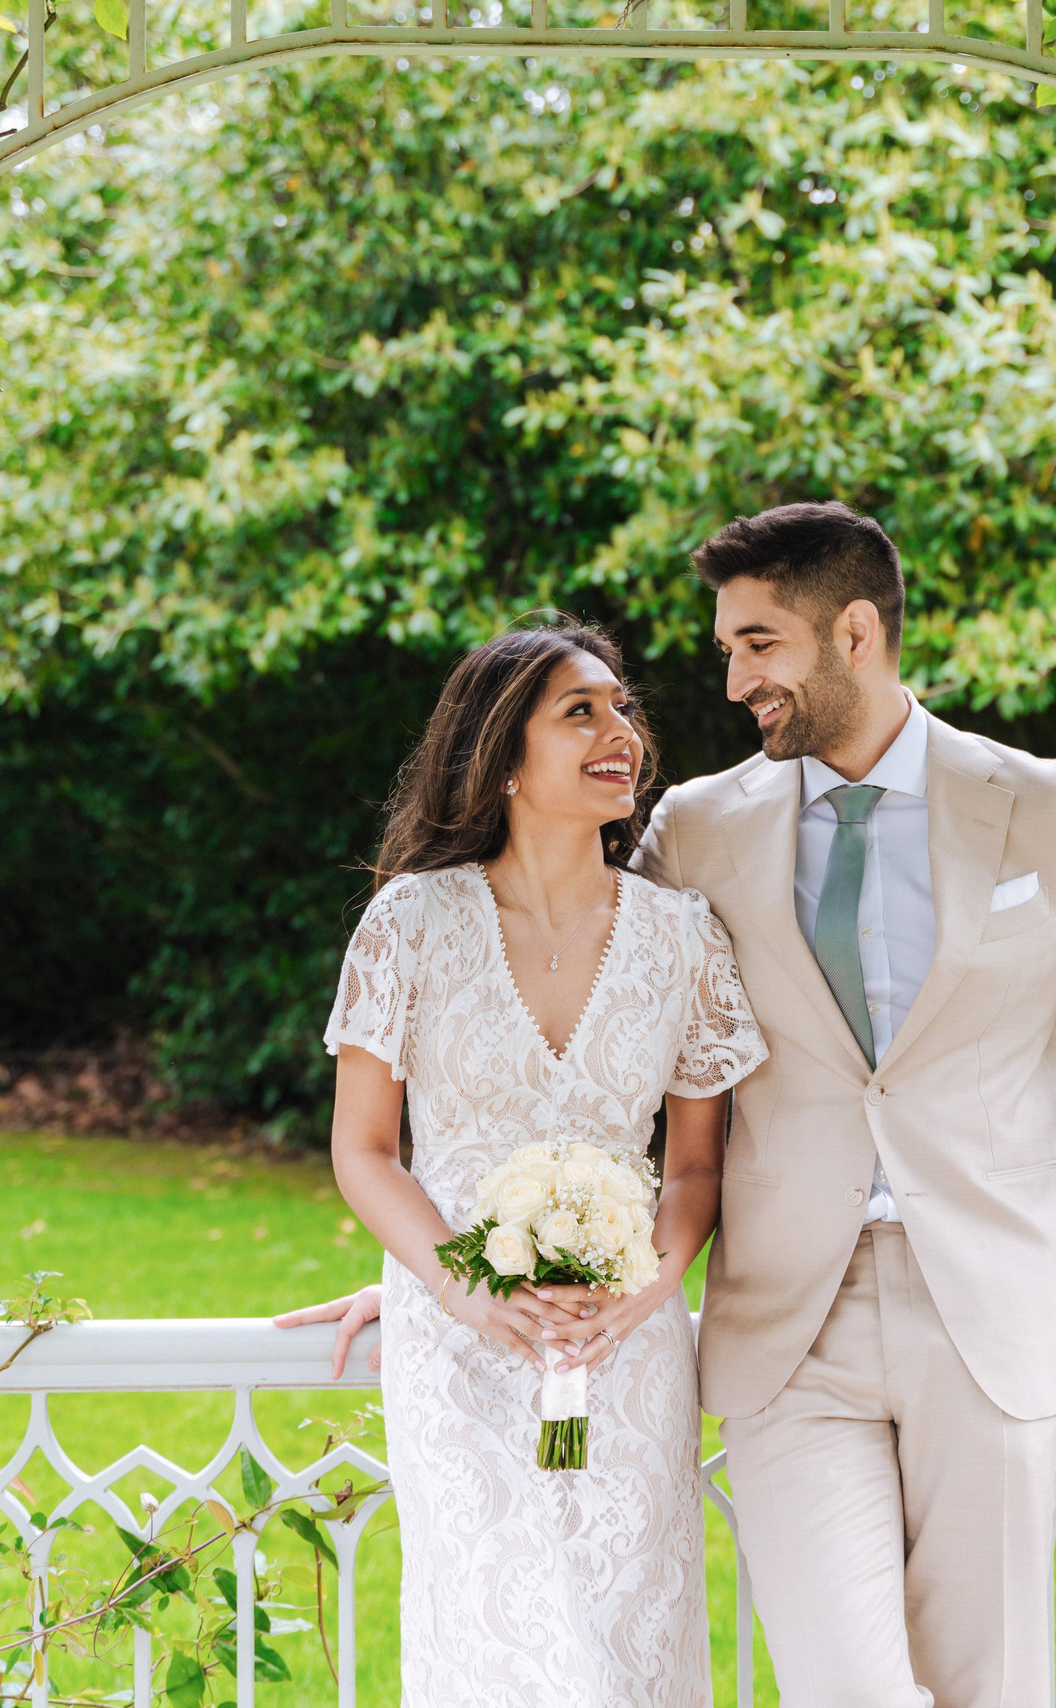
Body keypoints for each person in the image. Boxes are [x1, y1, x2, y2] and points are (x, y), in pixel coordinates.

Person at [289, 501, 1056, 1708]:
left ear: (854, 633)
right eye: (727, 649)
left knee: (989, 1685)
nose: (733, 682)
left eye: (757, 645)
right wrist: (455, 1259)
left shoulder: (1048, 806)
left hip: (993, 1307)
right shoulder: (697, 830)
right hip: (786, 1323)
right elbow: (575, 1023)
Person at [274, 622, 766, 1708]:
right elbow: (364, 1151)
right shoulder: (410, 923)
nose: (619, 731)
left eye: (623, 708)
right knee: (500, 1653)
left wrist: (644, 1291)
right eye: (580, 712)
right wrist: (455, 1284)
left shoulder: (682, 937)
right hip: (459, 1353)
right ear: (502, 756)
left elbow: (695, 1168)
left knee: (625, 1655)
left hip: (626, 1351)